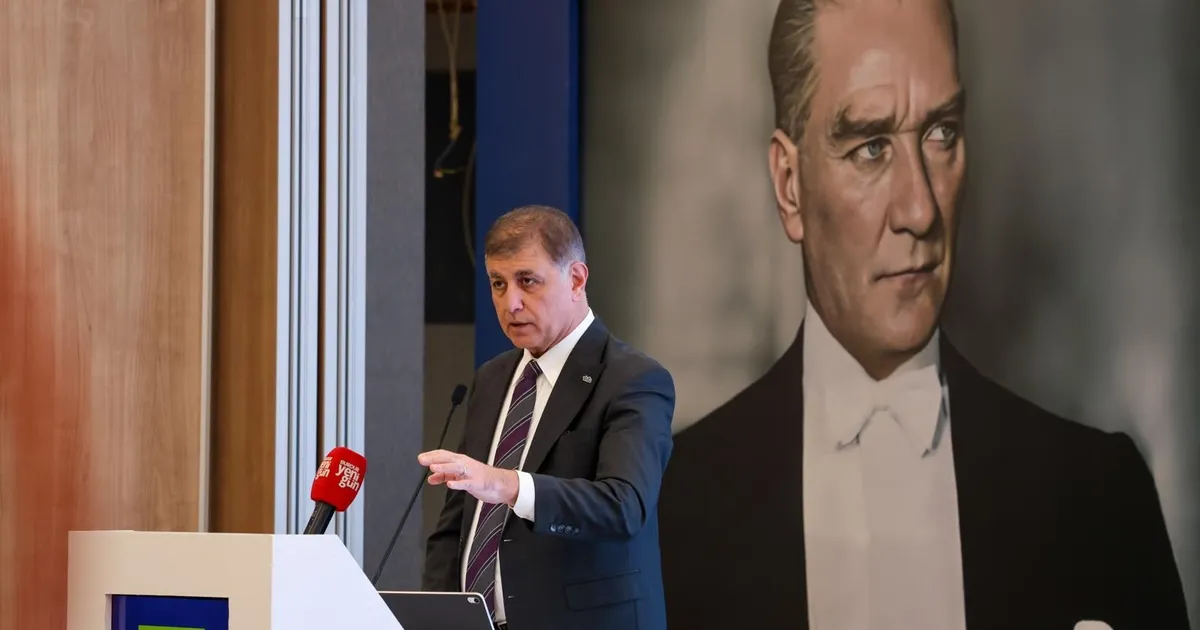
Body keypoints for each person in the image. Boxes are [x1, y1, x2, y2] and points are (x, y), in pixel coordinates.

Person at [658, 0, 1190, 628]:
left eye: (942, 134)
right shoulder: (663, 516)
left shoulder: (1100, 499)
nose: (921, 210)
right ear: (790, 185)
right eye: (871, 146)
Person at [420, 205, 675, 630]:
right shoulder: (493, 378)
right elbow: (457, 525)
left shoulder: (633, 379)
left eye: (528, 281)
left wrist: (506, 484)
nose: (511, 303)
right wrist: (436, 615)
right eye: (498, 284)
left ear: (576, 279)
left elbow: (623, 506)